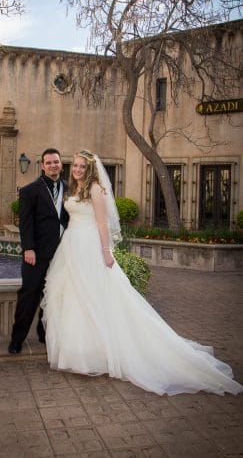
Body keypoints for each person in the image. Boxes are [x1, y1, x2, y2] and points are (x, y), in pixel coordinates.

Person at [41, 149, 243, 396]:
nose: (78, 170)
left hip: (89, 247)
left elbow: (103, 223)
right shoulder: (72, 189)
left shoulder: (95, 189)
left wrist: (106, 252)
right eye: (76, 166)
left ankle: (99, 354)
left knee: (93, 296)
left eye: (83, 166)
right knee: (74, 297)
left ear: (91, 168)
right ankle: (78, 353)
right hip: (71, 246)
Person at [8, 148, 69, 354]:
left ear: (61, 164)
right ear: (43, 166)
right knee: (29, 295)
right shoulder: (29, 191)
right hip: (36, 253)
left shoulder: (69, 189)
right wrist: (29, 248)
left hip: (61, 254)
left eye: (56, 162)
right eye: (49, 162)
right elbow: (25, 224)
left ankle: (44, 333)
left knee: (52, 294)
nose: (53, 165)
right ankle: (17, 339)